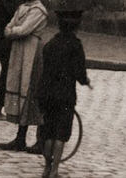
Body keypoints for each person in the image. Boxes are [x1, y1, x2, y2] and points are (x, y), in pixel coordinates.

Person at [0, 0, 53, 153]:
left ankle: (40, 140)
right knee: (22, 92)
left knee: (32, 93)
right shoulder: (22, 8)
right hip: (19, 53)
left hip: (32, 53)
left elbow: (22, 30)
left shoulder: (38, 10)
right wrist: (13, 30)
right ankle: (20, 138)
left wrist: (13, 30)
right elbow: (8, 27)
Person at [35, 9, 90, 178]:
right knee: (61, 132)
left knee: (48, 131)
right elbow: (79, 73)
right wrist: (85, 81)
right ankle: (54, 170)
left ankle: (46, 167)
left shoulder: (50, 44)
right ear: (77, 27)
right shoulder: (76, 45)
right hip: (65, 95)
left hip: (46, 93)